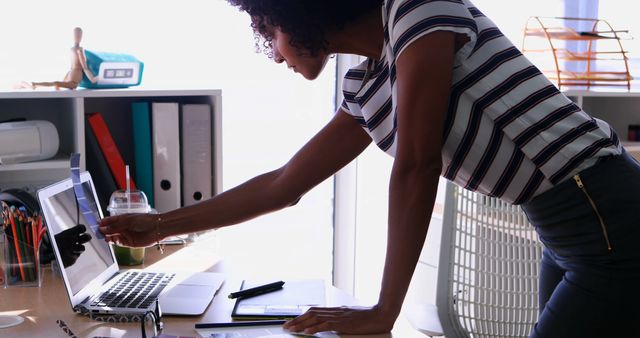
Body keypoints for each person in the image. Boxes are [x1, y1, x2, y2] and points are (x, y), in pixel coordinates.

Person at [99, 1, 640, 336]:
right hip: (563, 226)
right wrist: (163, 224)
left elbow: (416, 164)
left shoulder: (421, 12)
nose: (273, 53)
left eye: (269, 32)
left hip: (606, 214)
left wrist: (384, 311)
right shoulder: (369, 84)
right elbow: (286, 183)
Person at [17, 27, 97, 90]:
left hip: (71, 75)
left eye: (78, 34)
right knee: (56, 83)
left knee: (56, 83)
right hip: (73, 79)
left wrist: (64, 79)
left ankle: (29, 84)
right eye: (77, 34)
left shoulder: (72, 49)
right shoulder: (79, 50)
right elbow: (85, 67)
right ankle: (33, 84)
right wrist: (92, 79)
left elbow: (74, 67)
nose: (78, 36)